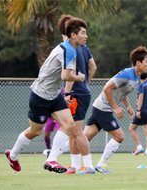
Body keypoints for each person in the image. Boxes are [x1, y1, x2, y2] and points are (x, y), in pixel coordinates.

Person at [4, 18, 87, 173]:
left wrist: (68, 22)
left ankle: (51, 160)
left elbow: (66, 34)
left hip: (54, 95)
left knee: (69, 125)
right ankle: (13, 155)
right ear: (73, 35)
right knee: (34, 131)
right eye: (83, 33)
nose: (86, 36)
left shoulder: (69, 46)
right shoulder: (69, 50)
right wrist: (79, 77)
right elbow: (65, 76)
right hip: (40, 95)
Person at [83, 46, 147, 173]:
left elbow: (122, 93)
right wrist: (115, 108)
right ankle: (101, 165)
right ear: (138, 63)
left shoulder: (136, 77)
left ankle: (58, 154)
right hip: (104, 108)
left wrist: (128, 106)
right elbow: (107, 88)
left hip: (100, 107)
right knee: (119, 136)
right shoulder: (126, 74)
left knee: (83, 138)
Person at [45, 14, 97, 175]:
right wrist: (86, 83)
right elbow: (93, 67)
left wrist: (68, 93)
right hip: (82, 91)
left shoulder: (70, 49)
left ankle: (88, 166)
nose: (83, 35)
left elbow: (69, 74)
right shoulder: (82, 48)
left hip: (76, 92)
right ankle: (74, 166)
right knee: (73, 131)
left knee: (75, 130)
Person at [129, 73, 147, 156]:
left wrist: (138, 110)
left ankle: (139, 147)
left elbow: (141, 97)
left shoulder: (141, 85)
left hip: (142, 110)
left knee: (131, 128)